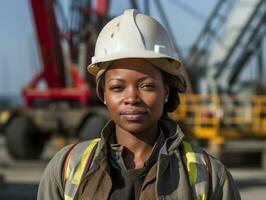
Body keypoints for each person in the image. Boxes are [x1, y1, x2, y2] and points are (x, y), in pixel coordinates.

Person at [37, 9, 240, 200]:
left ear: (166, 92)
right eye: (117, 87)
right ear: (103, 94)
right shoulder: (66, 167)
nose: (131, 97)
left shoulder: (209, 175)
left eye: (147, 86)